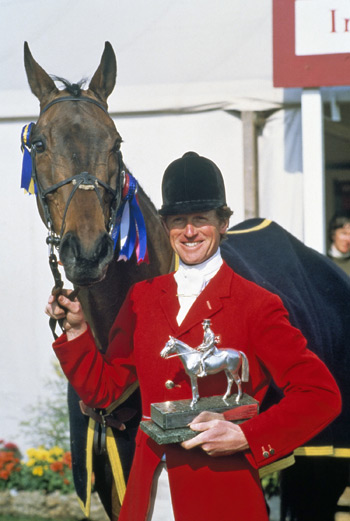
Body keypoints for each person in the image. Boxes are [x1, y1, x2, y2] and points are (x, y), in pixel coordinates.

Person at [46, 151, 341, 521]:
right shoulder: (143, 298)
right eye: (178, 221)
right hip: (147, 499)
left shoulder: (258, 304)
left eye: (201, 219)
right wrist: (76, 332)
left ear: (224, 223)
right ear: (166, 226)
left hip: (223, 497)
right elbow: (105, 390)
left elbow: (320, 396)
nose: (189, 232)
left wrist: (249, 437)